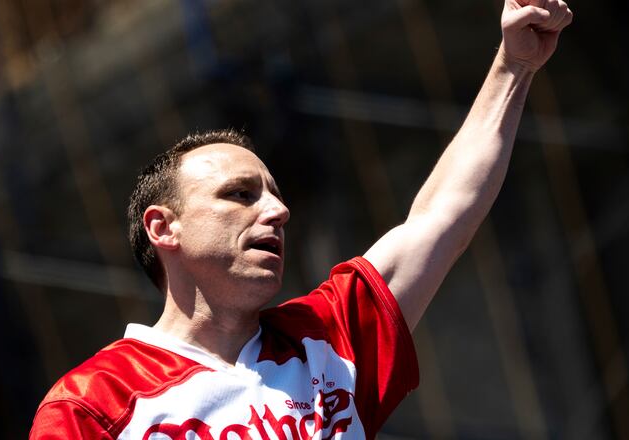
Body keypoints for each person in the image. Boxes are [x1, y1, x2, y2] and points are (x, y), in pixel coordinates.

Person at [30, 1, 573, 438]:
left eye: (274, 194)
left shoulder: (329, 338)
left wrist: (514, 65)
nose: (277, 210)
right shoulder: (92, 404)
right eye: (240, 194)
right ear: (162, 227)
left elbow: (442, 216)